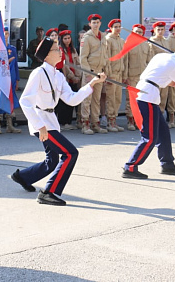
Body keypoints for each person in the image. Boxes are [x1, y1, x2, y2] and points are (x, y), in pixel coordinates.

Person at [10, 37, 106, 205]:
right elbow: (25, 101)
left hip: (51, 121)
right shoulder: (38, 73)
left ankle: (23, 177)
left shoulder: (58, 75)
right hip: (42, 121)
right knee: (70, 153)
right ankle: (48, 192)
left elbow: (72, 99)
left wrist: (92, 83)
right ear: (46, 55)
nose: (60, 51)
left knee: (52, 160)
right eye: (56, 50)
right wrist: (40, 127)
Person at [122, 42, 175, 179]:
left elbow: (157, 75)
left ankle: (167, 164)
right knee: (150, 137)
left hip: (147, 92)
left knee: (163, 133)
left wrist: (170, 78)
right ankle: (130, 166)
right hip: (148, 96)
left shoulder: (162, 56)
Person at [79, 14, 108, 134]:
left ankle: (95, 123)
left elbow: (105, 55)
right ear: (90, 24)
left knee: (96, 98)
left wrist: (105, 72)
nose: (96, 24)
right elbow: (83, 57)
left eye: (97, 22)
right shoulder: (86, 38)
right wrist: (88, 73)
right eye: (93, 23)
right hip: (90, 71)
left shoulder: (103, 37)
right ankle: (85, 123)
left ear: (100, 23)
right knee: (87, 98)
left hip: (99, 71)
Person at [124, 24, 153, 131]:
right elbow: (125, 62)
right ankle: (130, 120)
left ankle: (139, 120)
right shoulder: (128, 44)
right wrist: (125, 75)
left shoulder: (146, 45)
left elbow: (149, 62)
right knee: (131, 99)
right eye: (136, 31)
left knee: (142, 99)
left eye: (140, 32)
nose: (138, 34)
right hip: (132, 75)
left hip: (143, 76)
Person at [103, 19, 126, 132]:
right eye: (115, 26)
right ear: (111, 28)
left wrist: (124, 74)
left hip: (119, 73)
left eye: (119, 26)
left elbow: (124, 58)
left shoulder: (121, 41)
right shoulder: (108, 40)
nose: (118, 28)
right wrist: (108, 74)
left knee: (118, 99)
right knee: (111, 99)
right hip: (112, 74)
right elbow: (106, 59)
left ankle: (114, 121)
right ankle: (109, 122)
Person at [57, 29, 82, 130]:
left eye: (69, 38)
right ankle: (64, 122)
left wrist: (78, 76)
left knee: (72, 100)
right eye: (65, 38)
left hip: (75, 78)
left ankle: (70, 121)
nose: (67, 40)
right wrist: (72, 76)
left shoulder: (73, 50)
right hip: (66, 78)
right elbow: (65, 66)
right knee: (64, 102)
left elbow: (78, 63)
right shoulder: (60, 50)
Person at [149, 22, 170, 116]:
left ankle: (161, 114)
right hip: (157, 73)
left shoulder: (166, 41)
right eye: (158, 30)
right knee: (155, 95)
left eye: (162, 30)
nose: (160, 32)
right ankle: (154, 115)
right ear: (154, 30)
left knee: (164, 95)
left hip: (166, 72)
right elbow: (150, 58)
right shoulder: (151, 42)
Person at [3, 26, 22, 134]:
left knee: (11, 99)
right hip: (2, 78)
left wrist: (18, 79)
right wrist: (6, 61)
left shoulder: (12, 49)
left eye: (6, 34)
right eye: (3, 34)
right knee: (2, 99)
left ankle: (9, 125)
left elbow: (15, 66)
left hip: (12, 78)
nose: (5, 36)